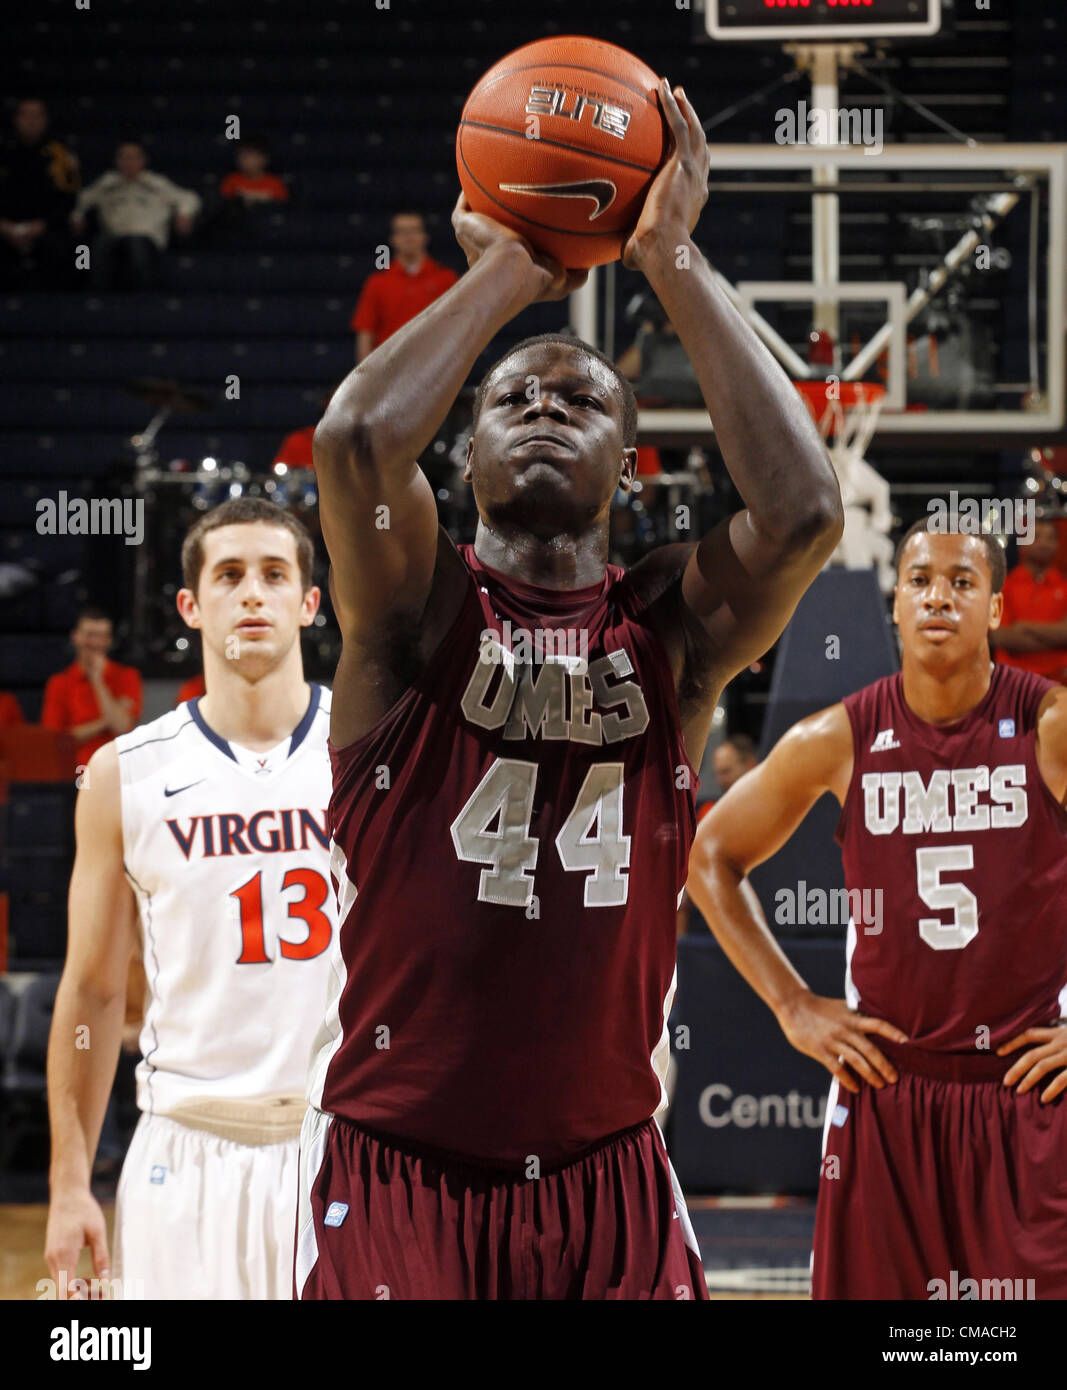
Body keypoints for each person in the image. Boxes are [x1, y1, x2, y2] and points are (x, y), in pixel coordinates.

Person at [299, 80, 842, 1301]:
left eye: (582, 397)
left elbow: (804, 511)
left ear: (628, 461)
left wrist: (670, 255)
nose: (543, 401)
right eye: (510, 397)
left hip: (606, 1174)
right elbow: (351, 442)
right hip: (400, 1171)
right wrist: (511, 269)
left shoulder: (671, 626)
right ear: (467, 452)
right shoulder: (410, 612)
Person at [685, 518, 1067, 1300]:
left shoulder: (1048, 727)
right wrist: (792, 1005)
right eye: (920, 580)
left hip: (1027, 1089)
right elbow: (706, 857)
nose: (938, 597)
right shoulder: (838, 737)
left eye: (962, 582)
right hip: (890, 1088)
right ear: (893, 604)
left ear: (995, 610)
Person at [45, 499, 338, 1300]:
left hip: (341, 1147)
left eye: (275, 575)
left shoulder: (369, 752)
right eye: (229, 575)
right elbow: (95, 990)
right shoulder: (122, 773)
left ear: (309, 605)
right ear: (190, 604)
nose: (252, 595)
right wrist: (72, 1183)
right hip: (185, 1148)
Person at [70, 141, 200, 291]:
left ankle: (143, 299)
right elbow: (80, 200)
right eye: (124, 158)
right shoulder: (107, 183)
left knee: (136, 245)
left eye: (133, 158)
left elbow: (189, 198)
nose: (128, 162)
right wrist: (77, 216)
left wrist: (184, 214)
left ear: (143, 160)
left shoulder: (156, 183)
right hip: (113, 239)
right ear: (117, 161)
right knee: (98, 245)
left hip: (146, 241)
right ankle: (97, 298)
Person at [350, 210, 458, 362]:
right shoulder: (377, 282)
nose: (408, 237)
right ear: (393, 239)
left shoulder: (446, 278)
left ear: (425, 237)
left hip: (435, 365)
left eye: (414, 230)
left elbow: (457, 328)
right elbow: (365, 333)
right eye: (402, 231)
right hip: (388, 368)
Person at [40, 608, 142, 768]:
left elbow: (122, 727)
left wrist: (98, 680)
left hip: (117, 768)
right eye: (90, 635)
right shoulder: (59, 682)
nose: (95, 643)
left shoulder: (127, 676)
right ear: (76, 637)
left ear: (109, 640)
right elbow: (57, 739)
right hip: (72, 771)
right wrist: (105, 721)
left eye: (102, 636)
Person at [0, 97, 80, 290]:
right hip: (6, 225)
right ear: (16, 119)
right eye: (26, 115)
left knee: (80, 248)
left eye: (37, 116)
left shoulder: (60, 154)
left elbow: (69, 197)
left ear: (45, 120)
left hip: (47, 226)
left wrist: (42, 225)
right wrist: (4, 226)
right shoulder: (3, 150)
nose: (31, 121)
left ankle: (82, 292)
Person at [990, 519, 1067, 682]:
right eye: (1036, 536)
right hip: (1013, 682)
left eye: (1050, 538)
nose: (1044, 543)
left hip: (1060, 681)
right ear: (1021, 544)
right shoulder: (1003, 586)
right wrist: (1055, 639)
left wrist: (1025, 627)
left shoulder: (1064, 585)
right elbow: (999, 636)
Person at [219, 136, 289, 206]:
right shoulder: (231, 181)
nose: (245, 161)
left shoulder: (275, 183)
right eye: (242, 156)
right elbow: (225, 204)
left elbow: (282, 205)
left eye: (250, 156)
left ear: (264, 159)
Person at [712, 732, 759, 796]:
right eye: (718, 774)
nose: (720, 781)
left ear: (750, 765)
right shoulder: (712, 805)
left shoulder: (772, 801)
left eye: (726, 772)